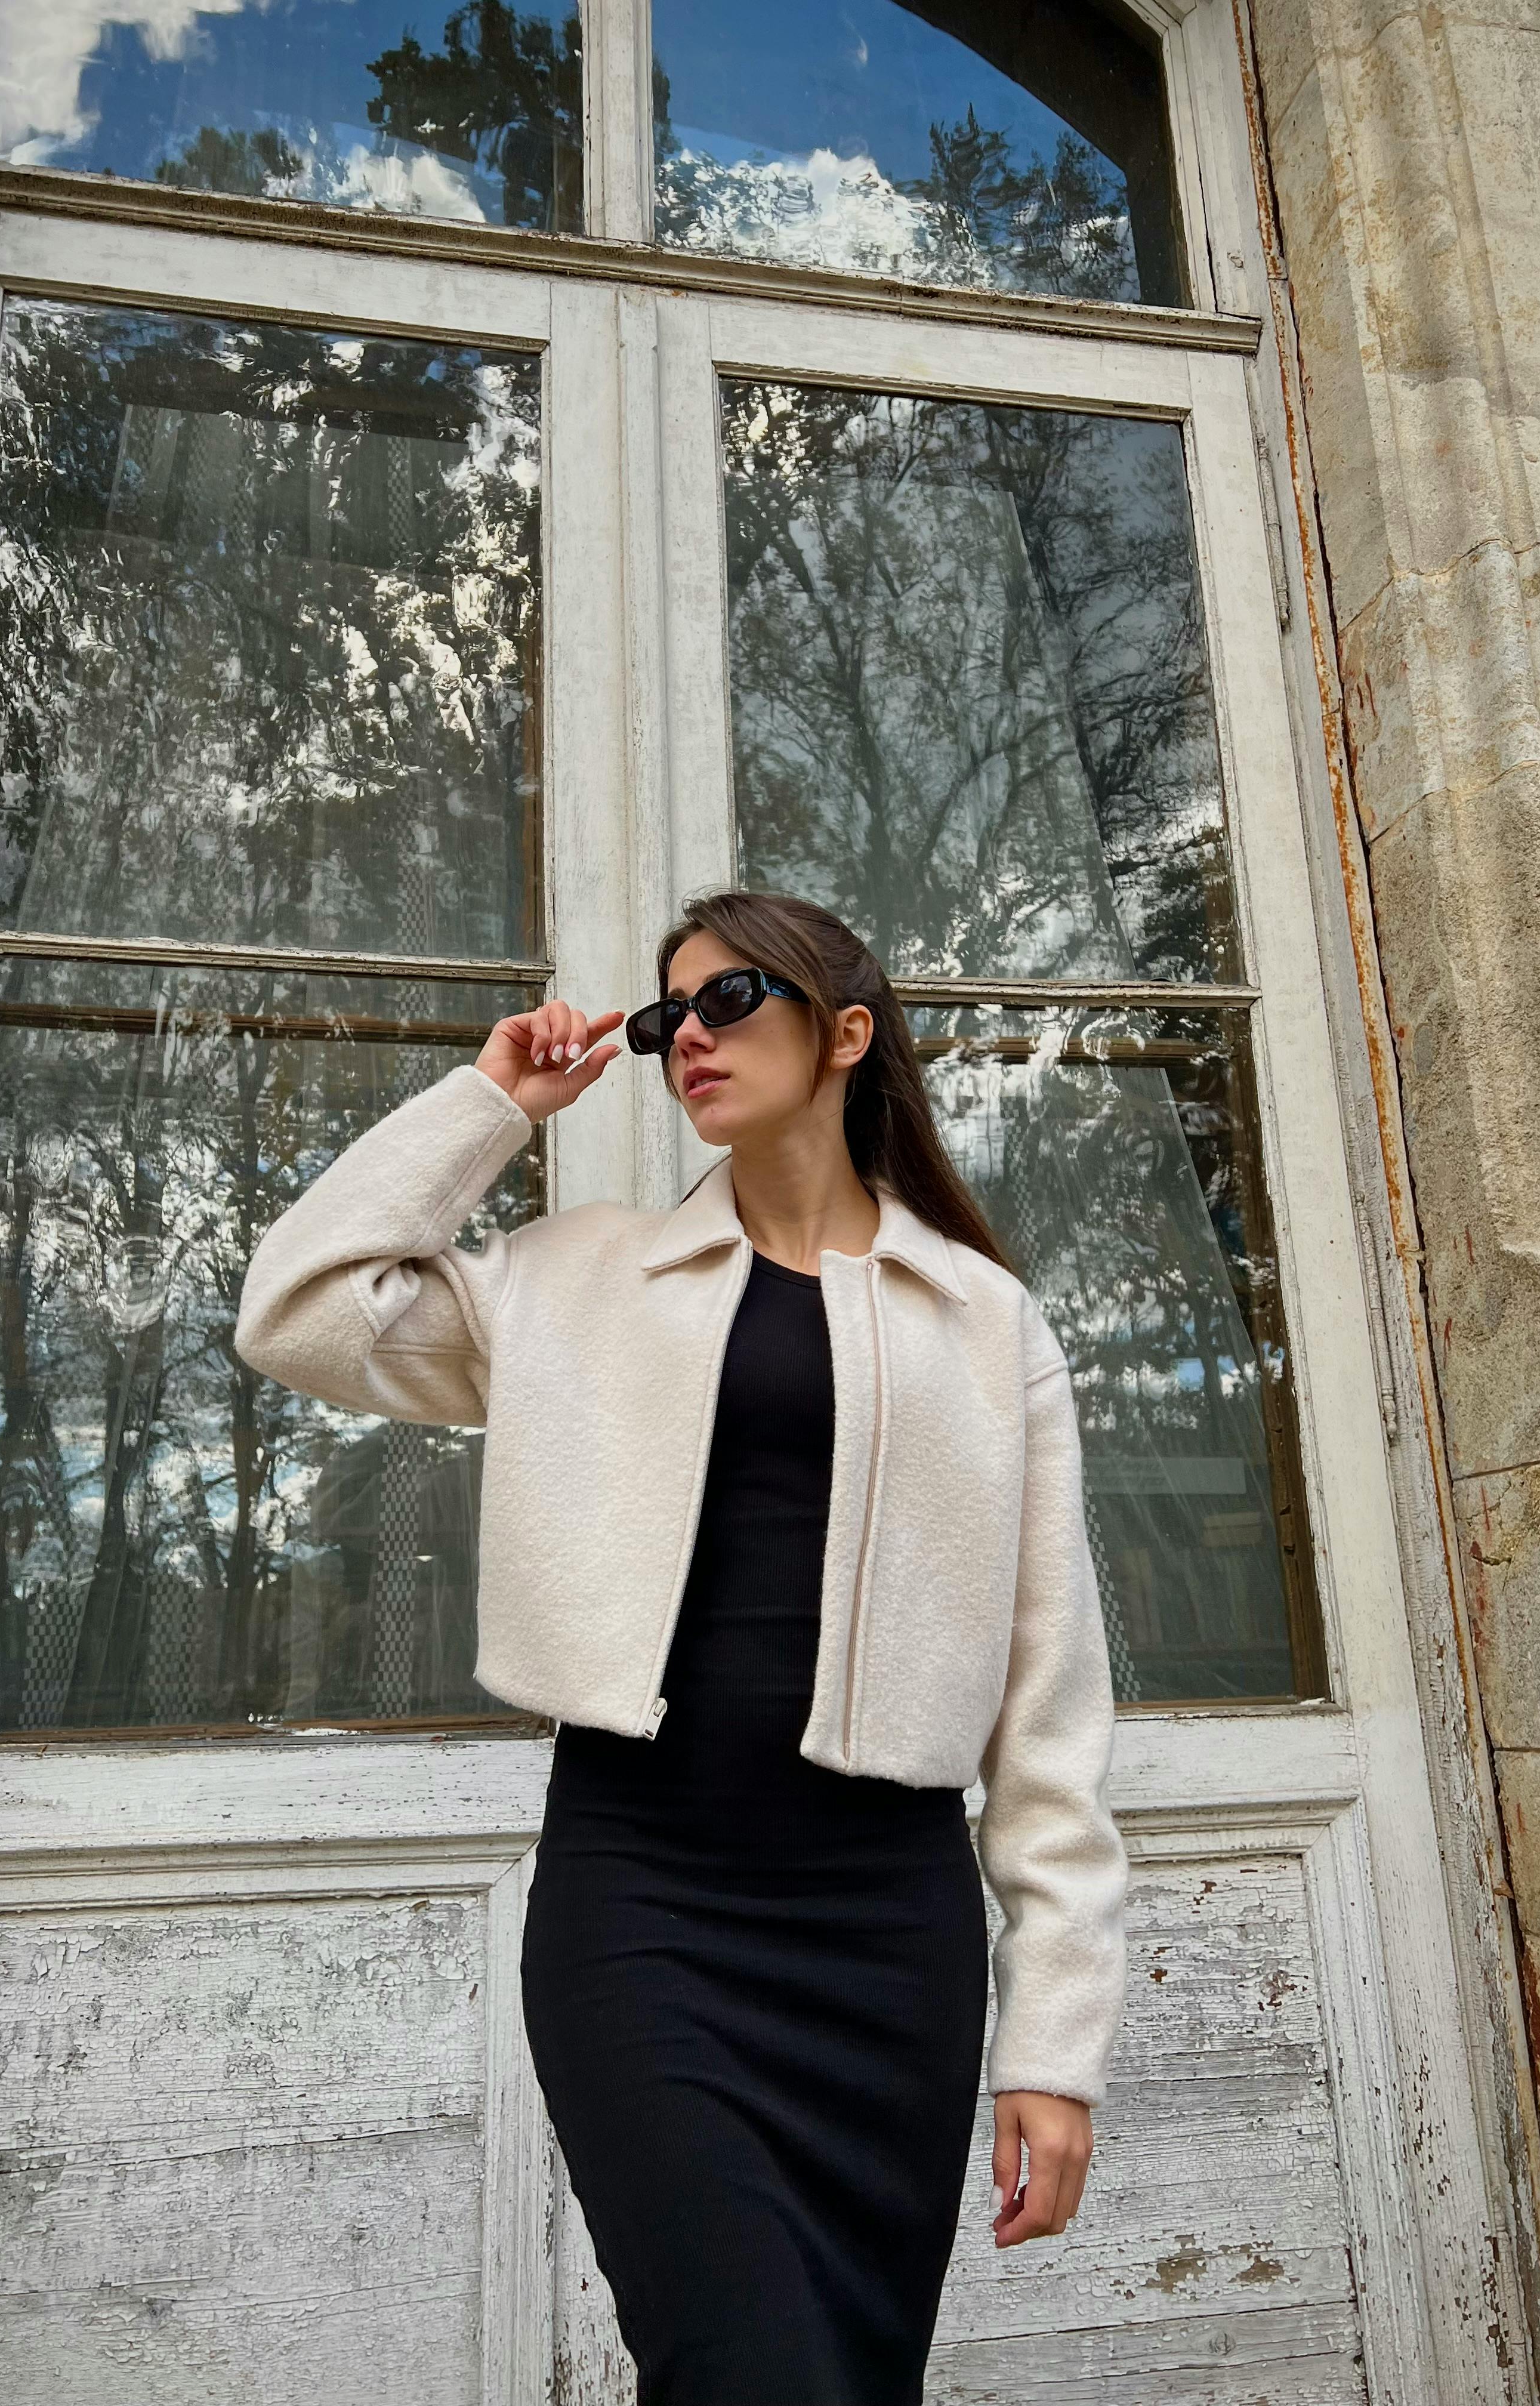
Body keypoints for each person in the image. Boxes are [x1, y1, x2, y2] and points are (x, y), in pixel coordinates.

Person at [236, 887, 1129, 2405]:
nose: (684, 1040)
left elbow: (1051, 1710)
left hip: (883, 1941)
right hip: (647, 1906)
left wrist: (1054, 2039)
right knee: (750, 2369)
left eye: (728, 1002)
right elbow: (301, 1312)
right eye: (663, 1020)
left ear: (846, 1033)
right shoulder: (576, 1283)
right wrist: (494, 1102)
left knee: (849, 2378)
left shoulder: (984, 1321)